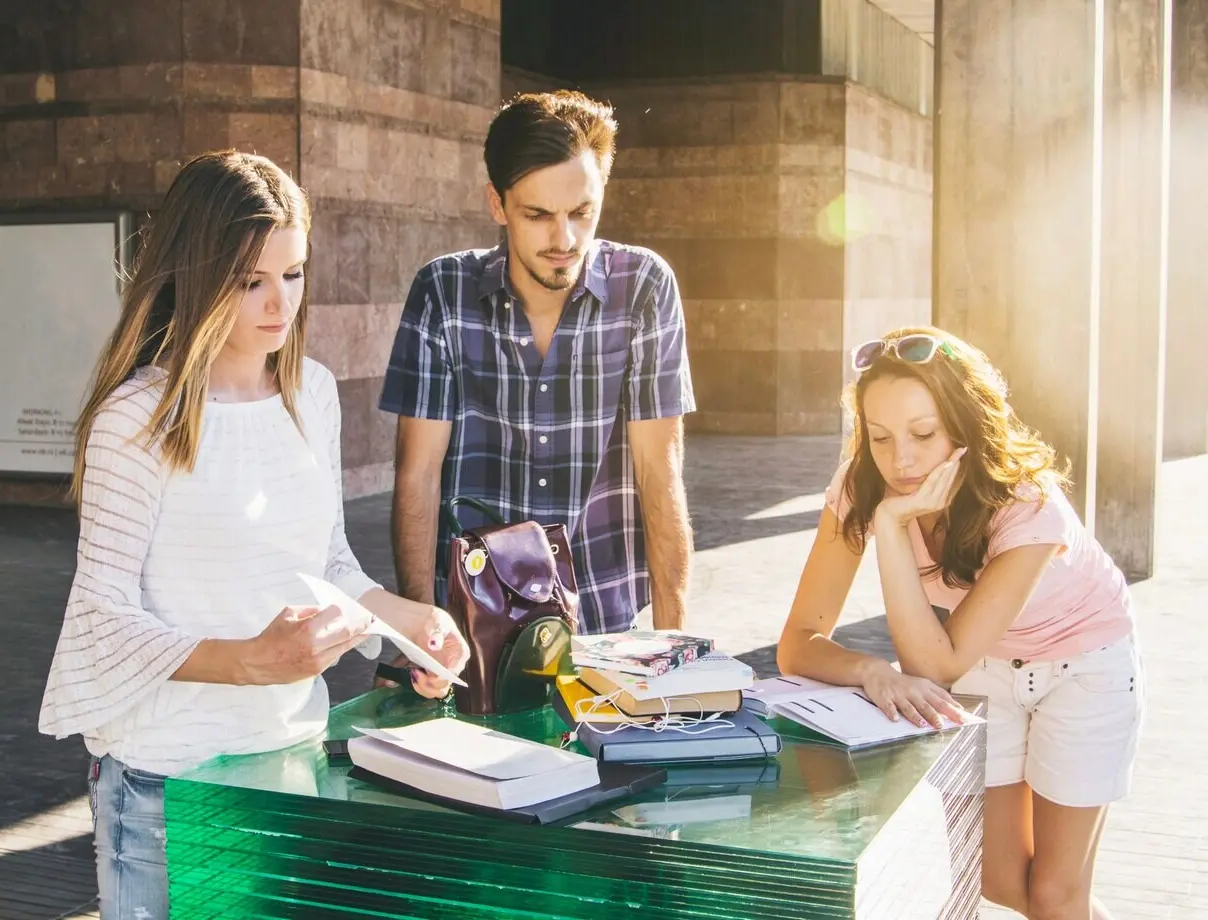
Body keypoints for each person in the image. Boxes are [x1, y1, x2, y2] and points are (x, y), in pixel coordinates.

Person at [37, 150, 470, 920]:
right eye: (252, 281)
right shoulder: (135, 420)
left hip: (286, 764)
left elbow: (324, 562)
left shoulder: (313, 393)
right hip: (164, 784)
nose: (281, 304)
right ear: (196, 274)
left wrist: (413, 623)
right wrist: (246, 663)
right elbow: (100, 621)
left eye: (294, 274)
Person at [777, 327, 1143, 920]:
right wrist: (870, 671)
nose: (900, 460)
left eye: (923, 434)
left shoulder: (1028, 503)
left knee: (1055, 894)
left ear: (965, 424)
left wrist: (892, 528)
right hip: (986, 662)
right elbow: (797, 644)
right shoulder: (861, 487)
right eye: (879, 437)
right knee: (993, 880)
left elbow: (936, 664)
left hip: (1086, 667)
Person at [379, 90, 696, 637]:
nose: (564, 238)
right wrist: (417, 639)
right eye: (538, 214)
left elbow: (659, 474)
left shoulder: (643, 286)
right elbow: (417, 476)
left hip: (603, 619)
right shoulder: (443, 291)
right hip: (472, 622)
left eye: (582, 212)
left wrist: (675, 649)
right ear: (497, 204)